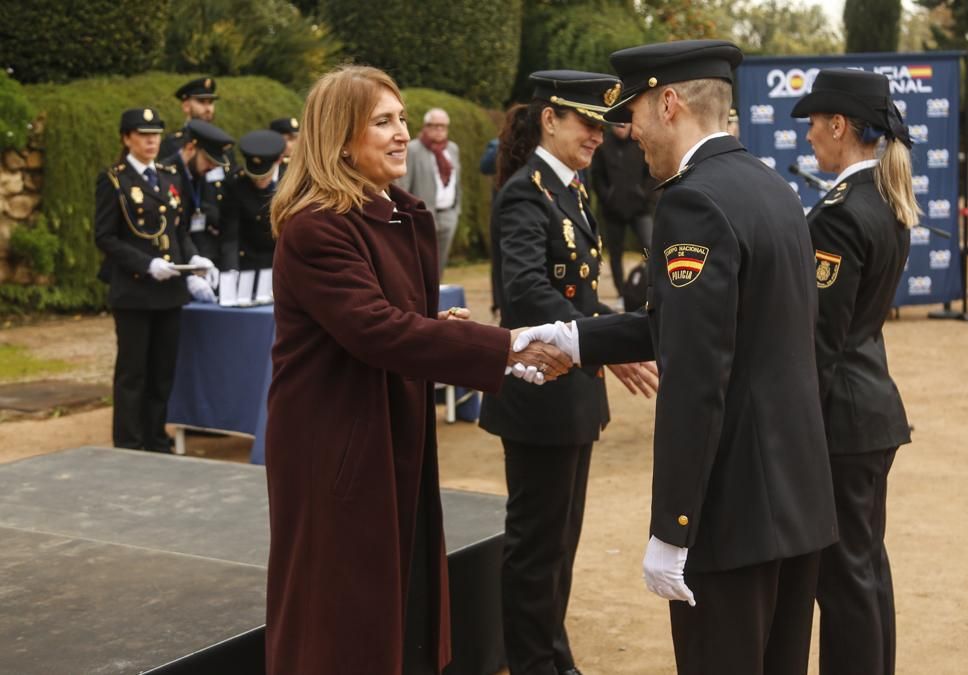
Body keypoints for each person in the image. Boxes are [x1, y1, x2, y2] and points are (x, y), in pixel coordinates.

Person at [512, 40, 837, 675]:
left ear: (669, 104)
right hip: (797, 502)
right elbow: (696, 326)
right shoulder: (770, 186)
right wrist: (576, 340)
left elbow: (695, 378)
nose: (628, 134)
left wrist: (672, 530)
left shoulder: (693, 201)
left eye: (632, 113)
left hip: (733, 513)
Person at [263, 65, 570, 675]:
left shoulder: (396, 213)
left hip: (388, 432)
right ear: (339, 138)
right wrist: (502, 346)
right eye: (383, 122)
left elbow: (388, 318)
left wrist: (443, 327)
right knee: (340, 616)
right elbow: (373, 328)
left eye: (402, 118)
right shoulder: (315, 227)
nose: (402, 133)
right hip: (338, 447)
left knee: (397, 601)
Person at [479, 70, 657, 675]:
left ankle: (555, 657)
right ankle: (533, 663)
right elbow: (527, 294)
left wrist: (618, 337)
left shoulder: (572, 191)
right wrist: (608, 345)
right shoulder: (526, 192)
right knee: (536, 547)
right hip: (537, 395)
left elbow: (580, 302)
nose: (597, 137)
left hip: (574, 392)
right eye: (585, 123)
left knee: (561, 544)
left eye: (601, 126)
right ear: (549, 119)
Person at [791, 68, 918, 675]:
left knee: (843, 582)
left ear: (839, 125)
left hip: (842, 420)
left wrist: (793, 433)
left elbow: (820, 342)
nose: (810, 135)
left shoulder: (842, 212)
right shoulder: (884, 199)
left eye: (815, 122)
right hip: (868, 411)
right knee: (865, 571)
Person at [93, 108, 216, 453]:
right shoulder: (114, 179)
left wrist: (191, 258)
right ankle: (129, 444)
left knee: (163, 371)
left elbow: (178, 229)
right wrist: (146, 264)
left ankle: (156, 440)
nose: (151, 141)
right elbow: (105, 236)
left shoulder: (166, 175)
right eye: (143, 134)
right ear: (126, 138)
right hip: (134, 290)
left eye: (155, 134)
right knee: (133, 373)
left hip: (170, 290)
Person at [160, 119, 238, 270]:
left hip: (192, 256)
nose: (212, 167)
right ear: (190, 148)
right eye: (208, 160)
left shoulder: (197, 173)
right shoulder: (166, 175)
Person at [590, 122, 655, 296]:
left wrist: (644, 194)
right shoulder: (603, 145)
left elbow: (651, 173)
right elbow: (596, 176)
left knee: (650, 246)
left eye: (625, 123)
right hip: (613, 210)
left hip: (640, 208)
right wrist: (607, 196)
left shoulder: (639, 142)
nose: (621, 126)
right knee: (615, 252)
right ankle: (621, 292)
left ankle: (652, 285)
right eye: (617, 124)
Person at [396, 107, 461, 279]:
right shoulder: (414, 149)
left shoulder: (452, 149)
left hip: (448, 215)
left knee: (439, 266)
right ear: (426, 127)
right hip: (423, 216)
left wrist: (456, 211)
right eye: (435, 126)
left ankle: (436, 298)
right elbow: (403, 185)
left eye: (443, 126)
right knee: (419, 264)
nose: (439, 130)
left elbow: (456, 182)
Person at [230, 129, 286, 270]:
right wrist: (230, 270)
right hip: (248, 261)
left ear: (278, 160)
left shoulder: (292, 180)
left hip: (282, 260)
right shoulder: (238, 182)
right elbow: (230, 234)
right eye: (254, 176)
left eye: (264, 175)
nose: (258, 180)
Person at [159, 76, 219, 160]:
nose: (208, 108)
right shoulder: (172, 144)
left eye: (210, 102)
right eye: (201, 102)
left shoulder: (220, 142)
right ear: (186, 106)